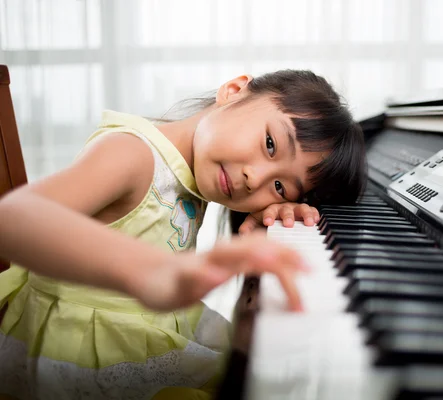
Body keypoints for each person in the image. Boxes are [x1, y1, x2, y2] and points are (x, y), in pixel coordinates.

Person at [0, 69, 366, 400]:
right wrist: (152, 271)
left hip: (144, 331)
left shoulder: (193, 171)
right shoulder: (133, 154)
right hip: (77, 349)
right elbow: (13, 217)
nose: (255, 178)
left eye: (282, 187)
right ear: (235, 90)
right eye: (270, 144)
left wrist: (262, 228)